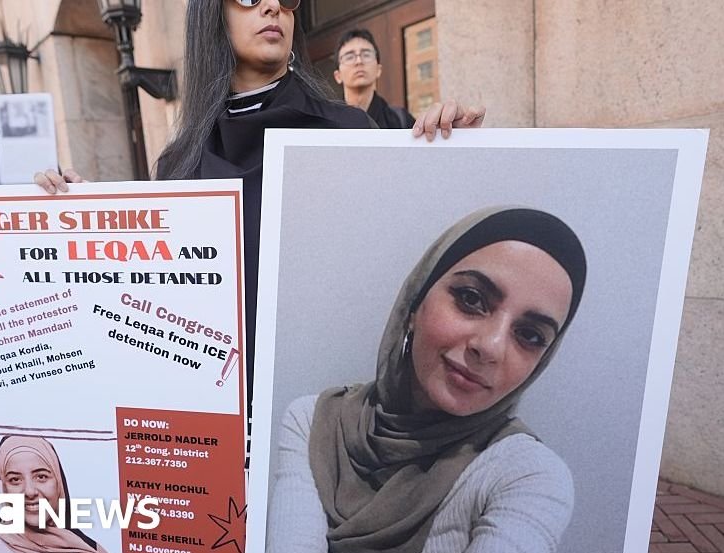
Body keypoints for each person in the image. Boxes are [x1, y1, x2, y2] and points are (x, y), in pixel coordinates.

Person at [34, 0, 485, 462]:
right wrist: (81, 219)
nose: (272, 6)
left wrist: (454, 153)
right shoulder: (180, 163)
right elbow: (156, 304)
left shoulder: (348, 134)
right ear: (211, 14)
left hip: (329, 427)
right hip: (222, 432)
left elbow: (407, 266)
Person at [265, 207, 587, 553]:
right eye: (471, 299)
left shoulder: (528, 476)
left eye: (529, 335)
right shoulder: (316, 423)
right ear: (415, 304)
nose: (491, 347)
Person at [0, 436, 122, 553]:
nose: (30, 491)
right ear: (3, 487)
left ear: (58, 483)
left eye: (41, 477)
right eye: (15, 479)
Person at [333, 28, 416, 129]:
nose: (359, 61)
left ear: (378, 69)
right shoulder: (327, 122)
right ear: (338, 76)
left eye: (366, 55)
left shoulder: (400, 120)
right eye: (349, 57)